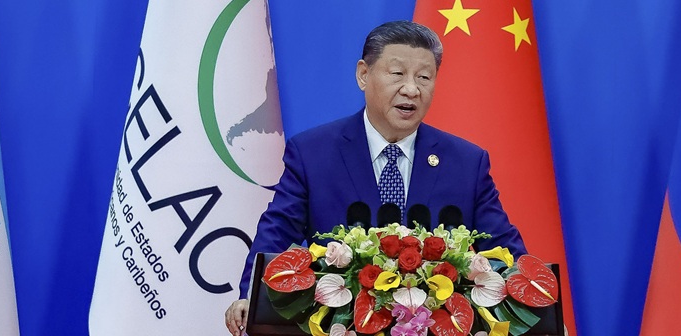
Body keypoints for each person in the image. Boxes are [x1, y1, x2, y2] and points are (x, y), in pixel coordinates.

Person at [224, 20, 526, 335]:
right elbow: (277, 232)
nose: (412, 89)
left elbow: (503, 246)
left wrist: (538, 305)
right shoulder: (313, 154)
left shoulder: (466, 162)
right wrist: (250, 295)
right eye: (397, 74)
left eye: (424, 77)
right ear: (363, 74)